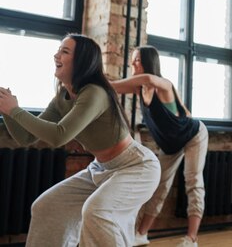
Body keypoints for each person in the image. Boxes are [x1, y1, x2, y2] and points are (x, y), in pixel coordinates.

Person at [0, 33, 160, 247]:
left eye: (64, 51)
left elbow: (59, 135)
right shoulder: (62, 98)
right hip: (100, 169)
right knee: (47, 206)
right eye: (58, 50)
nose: (56, 55)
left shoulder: (95, 93)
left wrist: (15, 110)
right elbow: (26, 137)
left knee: (97, 212)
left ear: (82, 61)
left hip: (136, 166)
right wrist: (8, 112)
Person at [111, 45, 208, 247]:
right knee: (158, 186)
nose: (133, 63)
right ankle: (141, 234)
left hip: (194, 135)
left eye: (137, 59)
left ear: (149, 61)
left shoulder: (163, 84)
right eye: (132, 59)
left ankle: (191, 239)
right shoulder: (139, 88)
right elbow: (116, 87)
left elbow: (147, 79)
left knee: (193, 181)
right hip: (171, 144)